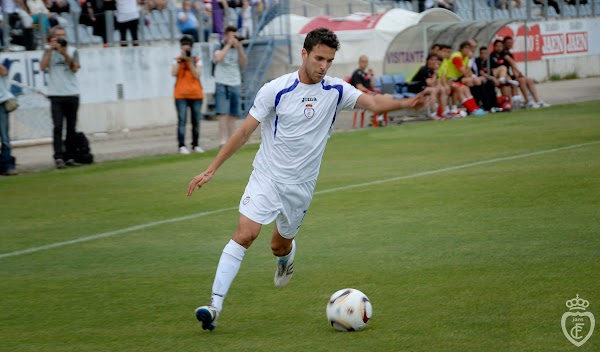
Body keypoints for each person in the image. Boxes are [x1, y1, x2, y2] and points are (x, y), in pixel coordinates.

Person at [186, 27, 429, 332]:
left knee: (279, 245)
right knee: (246, 234)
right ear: (304, 54)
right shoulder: (276, 89)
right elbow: (245, 131)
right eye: (318, 58)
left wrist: (407, 104)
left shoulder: (336, 90)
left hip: (300, 186)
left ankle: (286, 258)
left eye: (328, 60)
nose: (323, 66)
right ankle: (214, 306)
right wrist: (211, 169)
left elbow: (373, 103)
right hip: (267, 177)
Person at [39, 25, 81, 169]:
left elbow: (75, 69)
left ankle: (70, 156)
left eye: (63, 35)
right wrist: (51, 49)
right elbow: (42, 67)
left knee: (71, 127)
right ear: (52, 38)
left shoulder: (72, 50)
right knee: (57, 127)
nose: (61, 38)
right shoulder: (47, 50)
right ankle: (58, 157)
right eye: (58, 35)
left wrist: (64, 54)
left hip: (71, 93)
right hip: (55, 94)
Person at [213, 25, 247, 147]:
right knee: (223, 113)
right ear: (226, 35)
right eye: (231, 35)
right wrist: (228, 44)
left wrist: (238, 48)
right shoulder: (219, 45)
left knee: (233, 113)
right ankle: (222, 140)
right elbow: (218, 58)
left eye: (235, 35)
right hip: (222, 82)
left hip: (235, 82)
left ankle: (232, 140)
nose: (234, 38)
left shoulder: (238, 46)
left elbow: (244, 63)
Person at [172, 35, 205, 154]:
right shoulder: (177, 60)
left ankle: (195, 144)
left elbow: (197, 74)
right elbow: (173, 73)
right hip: (181, 95)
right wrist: (181, 59)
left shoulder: (196, 60)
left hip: (196, 94)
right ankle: (181, 145)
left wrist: (190, 61)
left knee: (196, 121)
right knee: (182, 121)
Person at [502, 37, 550, 108]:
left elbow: (512, 67)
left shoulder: (509, 53)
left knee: (529, 79)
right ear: (504, 43)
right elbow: (512, 63)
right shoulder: (503, 53)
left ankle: (537, 100)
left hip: (510, 75)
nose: (510, 44)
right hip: (505, 77)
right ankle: (528, 101)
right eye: (508, 43)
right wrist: (519, 72)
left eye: (511, 42)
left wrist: (516, 74)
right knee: (522, 80)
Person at [409, 53, 450, 119]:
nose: (433, 62)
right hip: (416, 89)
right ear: (427, 61)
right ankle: (433, 113)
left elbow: (436, 83)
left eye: (435, 60)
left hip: (425, 88)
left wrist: (441, 87)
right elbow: (430, 83)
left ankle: (444, 112)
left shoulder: (432, 71)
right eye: (431, 59)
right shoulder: (424, 69)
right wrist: (436, 72)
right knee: (433, 90)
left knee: (442, 89)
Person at [0, 58, 18, 176]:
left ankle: (8, 165)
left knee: (5, 137)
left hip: (1, 103)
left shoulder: (3, 65)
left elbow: (4, 72)